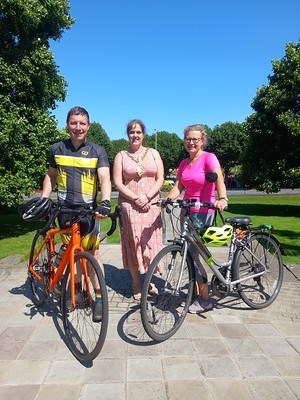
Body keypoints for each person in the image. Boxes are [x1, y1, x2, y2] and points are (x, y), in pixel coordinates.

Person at [41, 106, 111, 322]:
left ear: (88, 126)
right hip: (64, 212)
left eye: (82, 123)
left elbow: (104, 179)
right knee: (72, 255)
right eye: (74, 123)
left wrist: (106, 202)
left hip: (87, 213)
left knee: (92, 257)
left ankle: (99, 299)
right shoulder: (56, 149)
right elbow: (51, 177)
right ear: (67, 124)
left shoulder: (97, 151)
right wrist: (44, 199)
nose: (78, 127)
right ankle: (78, 291)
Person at [167, 124, 228, 314]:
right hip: (187, 211)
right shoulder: (184, 163)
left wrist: (223, 198)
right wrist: (168, 199)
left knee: (194, 255)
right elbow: (179, 185)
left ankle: (205, 299)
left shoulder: (209, 158)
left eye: (195, 139)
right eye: (188, 139)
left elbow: (219, 179)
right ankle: (195, 293)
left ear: (202, 141)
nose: (191, 142)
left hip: (204, 211)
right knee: (187, 252)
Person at [113, 119, 164, 301]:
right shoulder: (121, 155)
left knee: (151, 243)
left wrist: (147, 197)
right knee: (134, 243)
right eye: (132, 132)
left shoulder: (153, 153)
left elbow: (160, 178)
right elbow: (118, 182)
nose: (135, 135)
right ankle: (136, 283)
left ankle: (149, 280)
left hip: (151, 204)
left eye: (138, 132)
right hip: (130, 205)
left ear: (143, 134)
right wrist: (136, 198)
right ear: (128, 135)